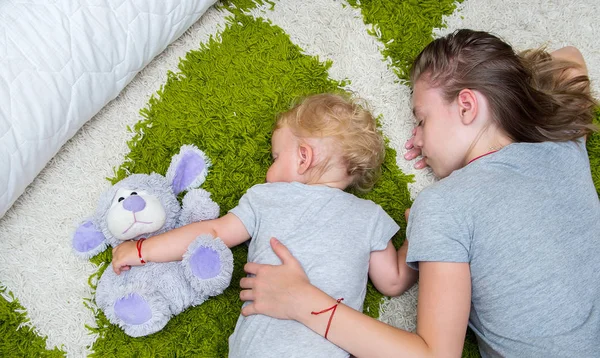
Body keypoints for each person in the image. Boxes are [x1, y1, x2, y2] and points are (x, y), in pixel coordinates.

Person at [237, 29, 600, 357]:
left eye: (422, 120)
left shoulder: (445, 203)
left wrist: (303, 301)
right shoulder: (561, 143)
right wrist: (501, 92)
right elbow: (570, 58)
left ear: (467, 106)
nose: (417, 138)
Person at [111, 93, 418, 357]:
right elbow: (393, 281)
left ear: (302, 158)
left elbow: (213, 232)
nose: (269, 168)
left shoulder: (267, 198)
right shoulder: (370, 216)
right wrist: (415, 235)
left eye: (275, 157)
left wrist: (142, 250)